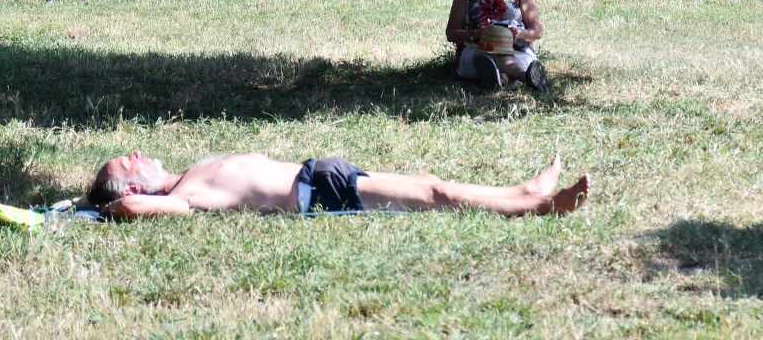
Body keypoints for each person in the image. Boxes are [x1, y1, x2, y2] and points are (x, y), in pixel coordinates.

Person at [87, 150, 590, 219]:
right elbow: (132, 212)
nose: (135, 155)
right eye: (125, 165)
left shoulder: (188, 172)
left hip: (320, 173)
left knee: (429, 183)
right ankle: (542, 205)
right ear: (133, 190)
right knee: (437, 197)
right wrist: (94, 210)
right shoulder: (181, 197)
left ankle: (524, 191)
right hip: (319, 193)